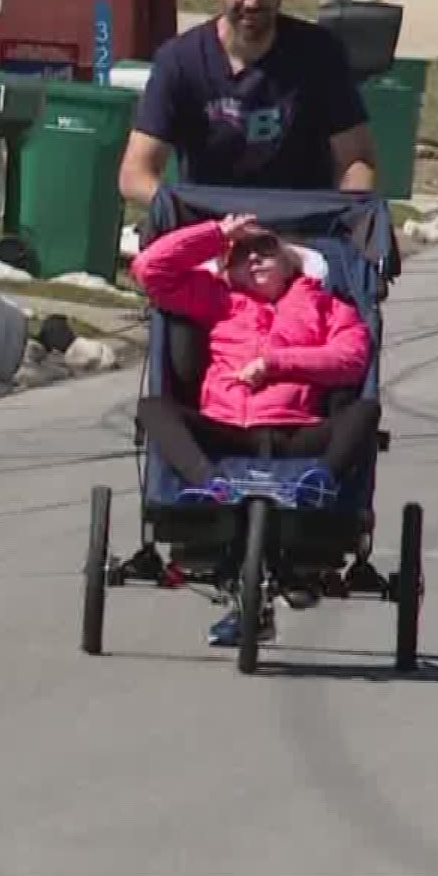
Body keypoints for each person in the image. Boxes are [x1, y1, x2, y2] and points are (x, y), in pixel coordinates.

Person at [129, 211, 383, 646]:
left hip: (296, 432)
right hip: (225, 427)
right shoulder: (217, 300)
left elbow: (352, 359)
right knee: (153, 408)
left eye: (265, 249)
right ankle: (209, 485)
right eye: (242, 255)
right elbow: (150, 269)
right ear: (229, 268)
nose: (255, 260)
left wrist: (277, 364)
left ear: (291, 260)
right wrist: (217, 234)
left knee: (365, 412)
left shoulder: (328, 305)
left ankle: (320, 484)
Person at [118, 0, 379, 207]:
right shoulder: (180, 60)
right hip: (209, 225)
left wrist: (347, 214)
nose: (252, 2)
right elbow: (134, 174)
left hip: (299, 226)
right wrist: (182, 210)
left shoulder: (320, 54)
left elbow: (357, 160)